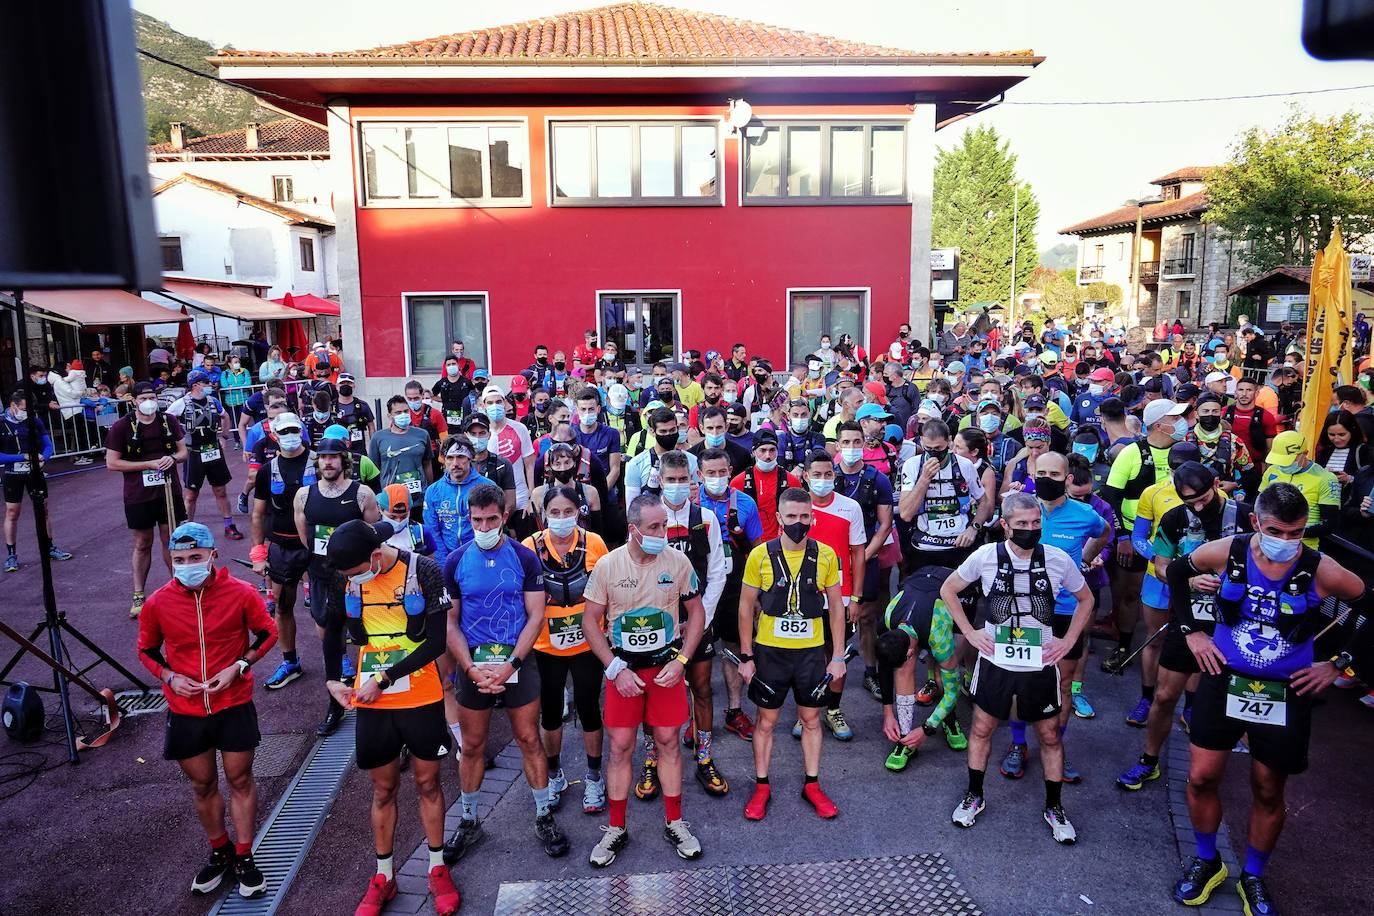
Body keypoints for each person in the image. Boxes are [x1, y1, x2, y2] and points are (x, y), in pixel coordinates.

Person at [1165, 484, 1366, 913]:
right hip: (1224, 677)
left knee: (1269, 788)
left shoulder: (1322, 569)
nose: (1288, 542)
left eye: (1297, 533)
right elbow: (1176, 574)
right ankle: (1207, 861)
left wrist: (1339, 663)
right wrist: (1193, 632)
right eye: (1278, 531)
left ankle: (1253, 873)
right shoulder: (1228, 551)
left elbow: (1367, 605)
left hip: (1286, 690)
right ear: (1256, 523)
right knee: (1200, 777)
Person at [320, 520, 460, 916]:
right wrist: (334, 680)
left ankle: (436, 868)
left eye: (358, 571)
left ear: (376, 554)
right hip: (373, 699)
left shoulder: (423, 570)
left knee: (428, 781)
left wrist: (384, 677)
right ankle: (385, 876)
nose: (354, 580)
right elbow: (330, 630)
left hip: (418, 693)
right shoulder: (344, 577)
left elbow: (435, 641)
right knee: (382, 789)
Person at [940, 492, 1094, 844]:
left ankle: (1054, 807)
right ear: (1005, 525)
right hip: (996, 658)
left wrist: (1068, 641)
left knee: (1050, 734)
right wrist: (969, 632)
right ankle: (974, 795)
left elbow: (1087, 599)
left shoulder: (1056, 559)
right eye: (1022, 524)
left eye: (1035, 523)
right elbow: (949, 589)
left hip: (1040, 661)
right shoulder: (985, 556)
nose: (1030, 529)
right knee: (982, 727)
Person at [137, 522, 276, 900]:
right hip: (185, 709)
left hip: (233, 703)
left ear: (212, 555)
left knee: (240, 779)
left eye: (195, 557)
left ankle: (245, 856)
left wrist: (240, 667)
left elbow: (268, 633)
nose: (187, 565)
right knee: (202, 783)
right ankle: (220, 850)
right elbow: (147, 651)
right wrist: (168, 676)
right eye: (179, 560)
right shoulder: (158, 603)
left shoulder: (241, 593)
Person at [442, 483, 570, 863]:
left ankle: (543, 814)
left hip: (517, 662)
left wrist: (512, 663)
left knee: (529, 739)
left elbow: (536, 615)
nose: (484, 526)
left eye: (492, 519)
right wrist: (469, 668)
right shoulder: (455, 561)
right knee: (473, 746)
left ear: (503, 517)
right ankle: (469, 821)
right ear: (469, 519)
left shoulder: (524, 558)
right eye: (477, 520)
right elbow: (451, 624)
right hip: (474, 666)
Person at [580, 494, 707, 868]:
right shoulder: (607, 565)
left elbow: (696, 613)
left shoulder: (678, 561)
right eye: (654, 527)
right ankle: (616, 828)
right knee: (620, 746)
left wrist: (683, 660)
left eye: (665, 525)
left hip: (665, 666)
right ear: (633, 530)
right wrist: (613, 669)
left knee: (668, 740)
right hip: (624, 670)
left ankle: (675, 822)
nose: (662, 533)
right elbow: (590, 622)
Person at [1117, 463, 1249, 791]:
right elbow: (1161, 567)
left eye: (1204, 498)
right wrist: (1190, 579)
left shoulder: (1245, 515)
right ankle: (1149, 761)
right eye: (1191, 501)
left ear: (1217, 484)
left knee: (1224, 698)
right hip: (1188, 620)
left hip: (1235, 624)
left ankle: (1210, 771)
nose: (1199, 507)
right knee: (1164, 696)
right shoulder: (1176, 518)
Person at [735, 487, 847, 819]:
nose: (798, 523)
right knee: (766, 720)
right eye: (791, 517)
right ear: (779, 519)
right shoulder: (759, 555)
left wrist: (838, 655)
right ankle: (761, 785)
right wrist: (746, 657)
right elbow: (744, 608)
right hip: (770, 652)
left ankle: (812, 784)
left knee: (812, 719)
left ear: (812, 517)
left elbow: (837, 608)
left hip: (811, 652)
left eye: (804, 516)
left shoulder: (826, 555)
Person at [997, 453, 1109, 784]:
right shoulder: (1019, 508)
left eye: (1054, 473)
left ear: (1067, 478)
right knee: (1020, 684)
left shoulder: (1084, 514)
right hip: (1021, 611)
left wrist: (1086, 559)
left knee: (1061, 684)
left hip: (1063, 612)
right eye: (1041, 471)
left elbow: (1103, 533)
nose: (1046, 477)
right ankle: (1019, 745)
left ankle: (1054, 744)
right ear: (1032, 471)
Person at [641, 450, 728, 798]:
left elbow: (718, 571)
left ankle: (704, 757)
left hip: (697, 619)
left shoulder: (706, 517)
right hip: (656, 624)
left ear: (694, 482)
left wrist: (698, 617)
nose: (677, 486)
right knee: (653, 693)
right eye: (670, 480)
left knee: (702, 688)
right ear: (660, 481)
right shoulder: (647, 519)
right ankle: (651, 759)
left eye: (684, 480)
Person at [523, 487, 611, 814]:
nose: (562, 519)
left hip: (588, 641)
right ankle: (555, 773)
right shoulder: (530, 547)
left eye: (568, 512)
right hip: (546, 644)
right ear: (544, 514)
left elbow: (609, 588)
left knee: (589, 708)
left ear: (579, 511)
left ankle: (593, 776)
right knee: (549, 712)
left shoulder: (595, 544)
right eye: (555, 513)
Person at [294, 435, 381, 736]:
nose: (328, 462)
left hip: (359, 581)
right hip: (324, 580)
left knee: (370, 639)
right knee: (330, 642)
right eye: (323, 457)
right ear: (317, 462)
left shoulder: (363, 495)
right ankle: (335, 706)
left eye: (333, 457)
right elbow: (307, 540)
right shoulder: (304, 496)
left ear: (344, 461)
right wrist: (313, 575)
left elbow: (374, 537)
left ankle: (379, 698)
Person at [1101, 399, 1187, 674]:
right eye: (1176, 418)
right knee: (1131, 594)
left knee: (1175, 596)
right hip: (1137, 537)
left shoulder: (1184, 451)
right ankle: (1124, 647)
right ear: (1159, 424)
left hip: (1179, 540)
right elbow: (1111, 495)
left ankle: (1175, 649)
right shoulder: (1132, 453)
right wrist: (1124, 537)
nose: (1183, 422)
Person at [106, 382, 189, 618]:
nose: (149, 402)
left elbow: (184, 452)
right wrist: (148, 464)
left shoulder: (168, 421)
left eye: (152, 397)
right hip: (138, 494)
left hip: (168, 491)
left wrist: (172, 458)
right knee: (143, 542)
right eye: (144, 399)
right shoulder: (122, 427)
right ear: (134, 401)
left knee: (170, 539)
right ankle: (139, 594)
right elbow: (112, 463)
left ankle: (179, 589)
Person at [699, 448, 764, 742]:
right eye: (710, 473)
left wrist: (760, 593)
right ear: (699, 475)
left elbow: (758, 550)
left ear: (730, 472)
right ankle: (696, 717)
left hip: (735, 580)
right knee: (694, 650)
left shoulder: (746, 503)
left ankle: (734, 711)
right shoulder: (688, 503)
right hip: (698, 583)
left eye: (721, 472)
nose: (716, 478)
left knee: (733, 646)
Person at [874, 566, 965, 773]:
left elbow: (952, 691)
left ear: (909, 653)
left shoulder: (938, 636)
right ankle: (905, 740)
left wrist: (926, 729)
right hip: (918, 581)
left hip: (951, 586)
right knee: (903, 671)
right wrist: (888, 714)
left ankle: (949, 720)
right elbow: (886, 670)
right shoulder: (888, 620)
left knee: (944, 679)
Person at [899, 419, 989, 570]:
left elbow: (985, 502)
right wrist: (924, 479)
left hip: (959, 543)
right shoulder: (913, 465)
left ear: (949, 441)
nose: (934, 452)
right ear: (921, 441)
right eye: (928, 448)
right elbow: (906, 514)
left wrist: (974, 528)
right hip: (925, 545)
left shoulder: (964, 465)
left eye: (939, 448)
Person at [2, 389, 73, 572]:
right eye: (24, 409)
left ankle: (49, 547)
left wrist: (44, 458)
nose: (27, 413)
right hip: (12, 473)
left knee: (43, 509)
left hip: (34, 472)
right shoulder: (2, 423)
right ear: (13, 405)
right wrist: (22, 457)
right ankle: (11, 555)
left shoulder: (35, 421)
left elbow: (47, 445)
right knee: (12, 512)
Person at [167, 371, 242, 540]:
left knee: (220, 490)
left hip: (213, 451)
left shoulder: (213, 401)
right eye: (206, 382)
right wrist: (176, 443)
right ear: (195, 385)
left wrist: (224, 436)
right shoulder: (181, 403)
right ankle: (186, 530)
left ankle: (229, 525)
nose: (209, 385)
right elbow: (167, 421)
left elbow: (225, 416)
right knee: (191, 494)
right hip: (193, 453)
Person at [1257, 431, 1341, 549]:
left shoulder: (1325, 478)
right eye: (1280, 460)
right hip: (1269, 542)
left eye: (1288, 460)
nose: (1283, 465)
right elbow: (1258, 506)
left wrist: (1290, 533)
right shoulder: (1272, 471)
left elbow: (1329, 524)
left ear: (1305, 454)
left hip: (1304, 546)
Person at [480, 385, 537, 539]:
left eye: (498, 401)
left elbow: (530, 465)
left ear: (505, 403)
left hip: (520, 501)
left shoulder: (520, 429)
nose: (495, 406)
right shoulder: (480, 434)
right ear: (483, 405)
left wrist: (531, 499)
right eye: (490, 403)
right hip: (491, 505)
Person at [369, 397, 434, 521]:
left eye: (405, 411)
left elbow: (427, 463)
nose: (403, 415)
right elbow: (374, 469)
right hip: (390, 500)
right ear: (390, 416)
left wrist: (429, 491)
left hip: (418, 499)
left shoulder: (422, 434)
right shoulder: (378, 438)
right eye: (398, 413)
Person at [1315, 410, 1372, 497]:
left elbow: (1368, 480)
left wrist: (1349, 479)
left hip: (1348, 504)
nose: (1336, 439)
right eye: (1332, 435)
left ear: (1352, 431)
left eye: (1342, 435)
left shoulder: (1363, 451)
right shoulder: (1324, 451)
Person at [334, 373, 376, 456]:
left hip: (358, 450)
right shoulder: (331, 406)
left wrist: (374, 447)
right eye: (342, 383)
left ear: (354, 386)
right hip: (336, 450)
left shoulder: (363, 406)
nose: (346, 386)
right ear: (336, 386)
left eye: (349, 383)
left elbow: (371, 427)